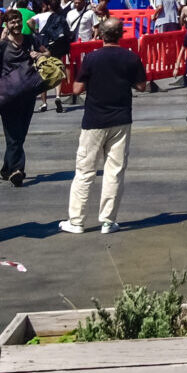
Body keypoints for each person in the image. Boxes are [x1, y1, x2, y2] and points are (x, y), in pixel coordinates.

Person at [62, 20, 149, 235]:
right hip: (121, 118)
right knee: (115, 171)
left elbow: (77, 88)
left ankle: (77, 220)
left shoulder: (91, 58)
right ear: (120, 34)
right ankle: (108, 220)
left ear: (101, 34)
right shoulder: (131, 57)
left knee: (84, 171)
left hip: (94, 119)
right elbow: (141, 85)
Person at [0, 23, 39, 184]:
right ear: (7, 25)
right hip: (8, 94)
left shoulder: (30, 40)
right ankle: (17, 169)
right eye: (12, 21)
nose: (16, 24)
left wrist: (39, 55)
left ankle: (6, 167)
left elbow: (48, 53)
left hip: (28, 93)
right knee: (13, 134)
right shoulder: (0, 45)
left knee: (20, 134)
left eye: (18, 20)